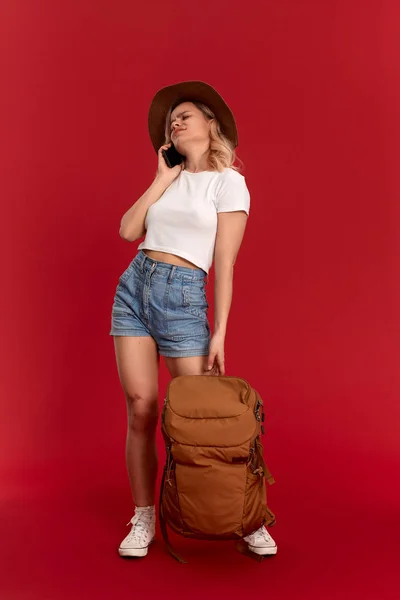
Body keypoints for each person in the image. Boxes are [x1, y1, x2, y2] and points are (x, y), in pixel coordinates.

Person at [109, 80, 277, 558]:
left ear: (210, 124)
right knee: (141, 409)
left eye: (186, 114)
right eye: (171, 119)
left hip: (183, 298)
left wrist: (220, 331)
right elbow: (127, 231)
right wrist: (160, 179)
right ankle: (143, 516)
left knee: (205, 418)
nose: (176, 121)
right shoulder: (169, 180)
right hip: (134, 290)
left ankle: (247, 517)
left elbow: (224, 264)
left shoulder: (230, 182)